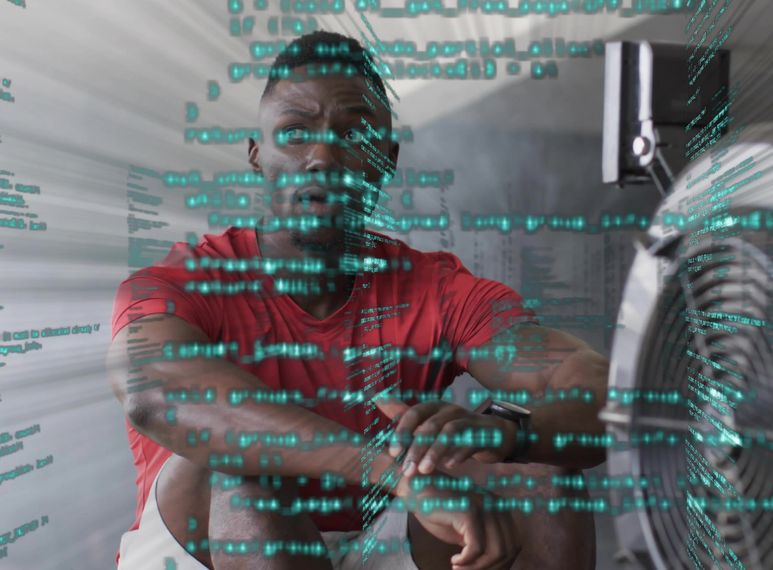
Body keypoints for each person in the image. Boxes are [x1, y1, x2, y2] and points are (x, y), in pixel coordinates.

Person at [106, 30, 609, 570]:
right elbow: (151, 391)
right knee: (243, 480)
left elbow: (603, 392)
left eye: (353, 135)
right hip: (198, 547)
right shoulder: (178, 283)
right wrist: (388, 470)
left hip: (367, 539)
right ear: (257, 154)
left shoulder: (436, 290)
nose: (322, 157)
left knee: (544, 480)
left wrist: (509, 431)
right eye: (295, 133)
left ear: (385, 160)